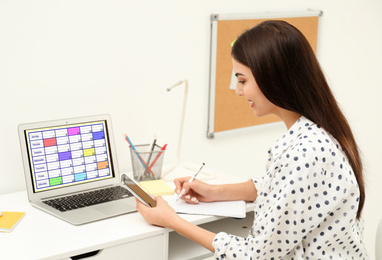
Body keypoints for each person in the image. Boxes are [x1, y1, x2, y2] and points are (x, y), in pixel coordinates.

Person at [136, 20, 368, 259]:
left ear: (273, 77)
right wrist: (213, 192)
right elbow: (272, 185)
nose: (238, 91)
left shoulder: (304, 153)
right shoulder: (317, 131)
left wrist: (173, 221)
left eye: (243, 80)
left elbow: (257, 255)